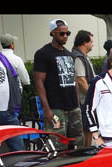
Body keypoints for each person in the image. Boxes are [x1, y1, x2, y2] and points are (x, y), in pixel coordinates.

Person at [33, 19, 83, 149]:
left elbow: (74, 79)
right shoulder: (43, 53)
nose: (65, 36)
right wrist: (47, 109)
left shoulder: (68, 54)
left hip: (73, 107)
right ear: (53, 33)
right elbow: (39, 82)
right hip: (55, 108)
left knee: (77, 141)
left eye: (67, 33)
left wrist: (77, 103)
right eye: (61, 34)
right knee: (58, 144)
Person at [72, 30, 96, 147]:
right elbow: (81, 80)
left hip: (86, 99)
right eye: (91, 41)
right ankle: (85, 151)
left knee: (89, 127)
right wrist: (92, 95)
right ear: (84, 43)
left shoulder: (84, 57)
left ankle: (88, 149)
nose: (93, 44)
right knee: (86, 127)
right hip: (83, 100)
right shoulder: (78, 58)